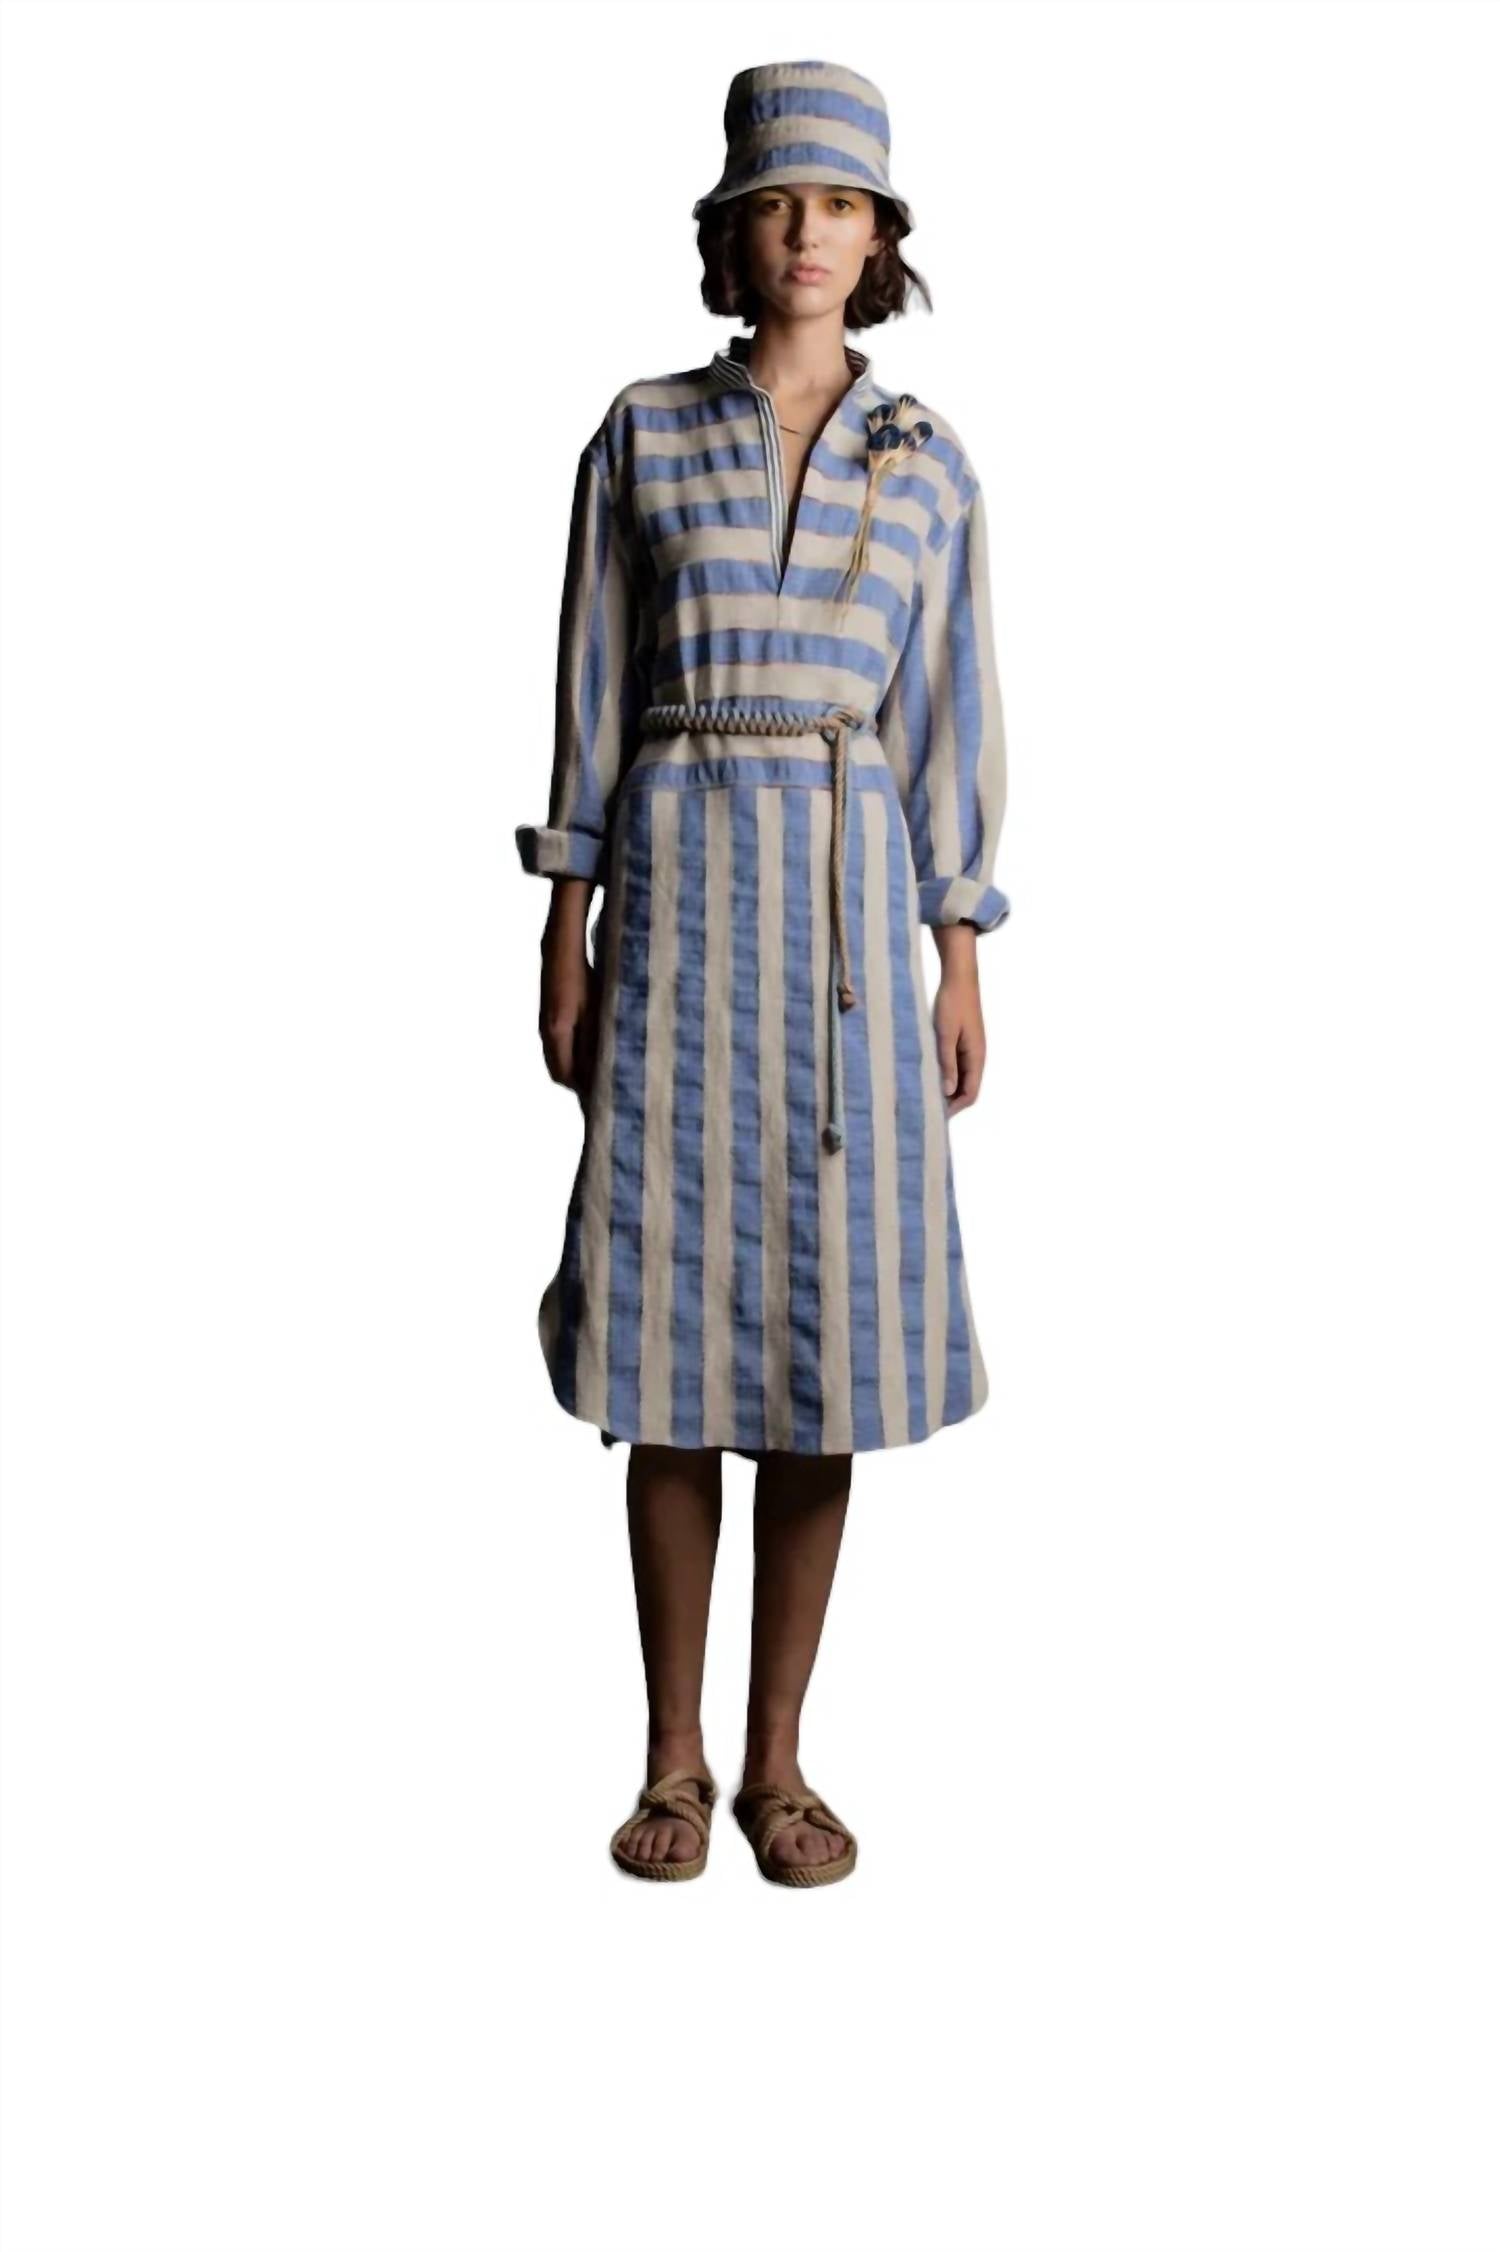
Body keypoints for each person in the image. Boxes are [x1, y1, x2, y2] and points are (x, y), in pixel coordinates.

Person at [514, 60, 1011, 1887]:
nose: (809, 234)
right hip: (674, 909)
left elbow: (948, 713)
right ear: (735, 230)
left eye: (842, 205)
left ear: (883, 238)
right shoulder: (643, 436)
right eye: (779, 204)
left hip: (854, 929)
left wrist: (960, 952)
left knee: (829, 1341)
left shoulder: (928, 460)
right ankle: (672, 1761)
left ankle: (782, 1766)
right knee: (667, 1337)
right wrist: (560, 926)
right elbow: (588, 686)